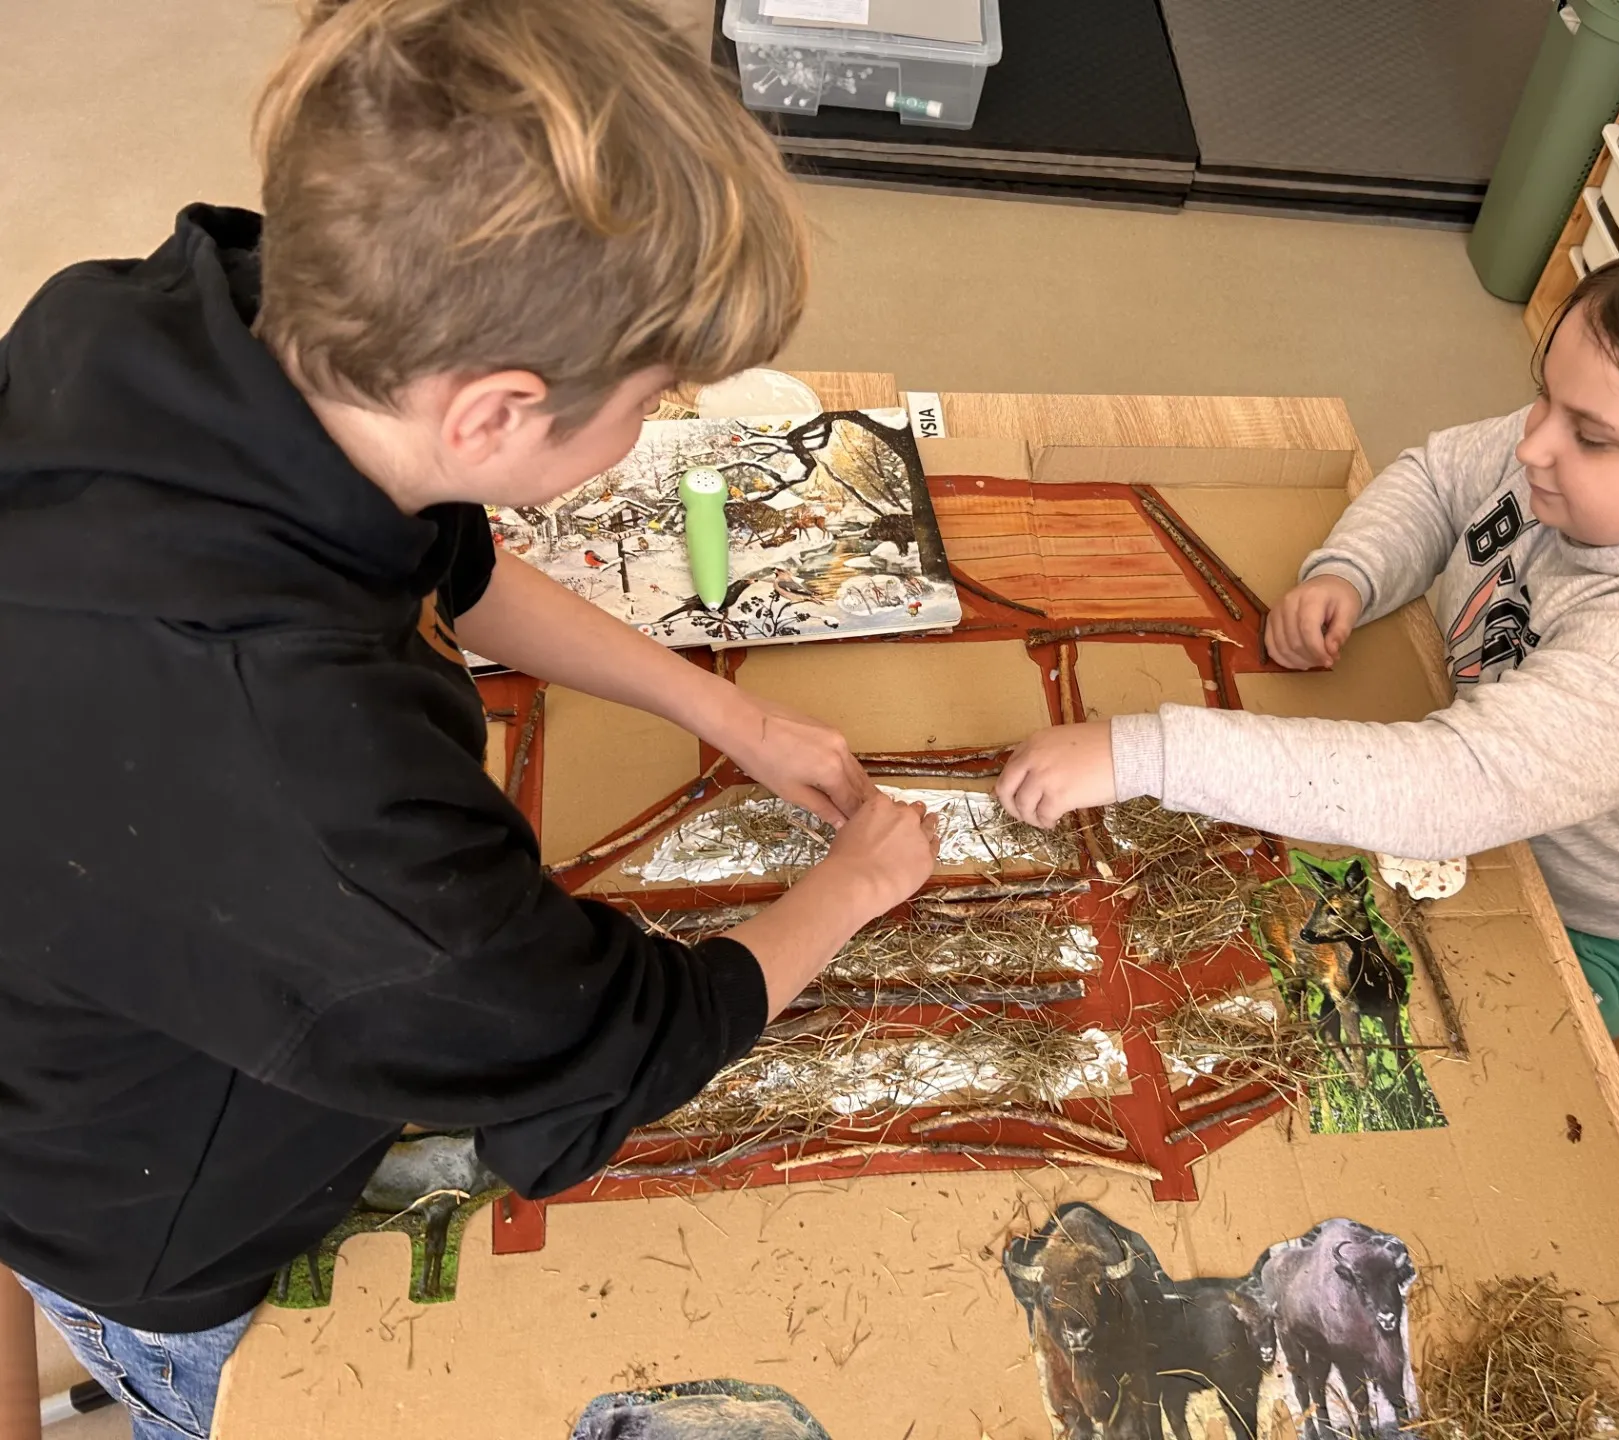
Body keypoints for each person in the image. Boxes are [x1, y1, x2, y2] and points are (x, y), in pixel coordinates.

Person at [0, 2, 937, 1434]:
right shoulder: (327, 803)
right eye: (654, 396)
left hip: (82, 963)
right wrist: (855, 887)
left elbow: (449, 552)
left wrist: (716, 710)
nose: (653, 420)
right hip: (162, 1221)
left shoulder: (151, 322)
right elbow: (612, 1043)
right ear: (496, 414)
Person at [998, 232, 1619, 1039]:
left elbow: (1452, 790)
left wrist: (1142, 754)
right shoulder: (1589, 462)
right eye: (1543, 399)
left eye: (1590, 436)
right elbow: (1443, 475)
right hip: (1488, 771)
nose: (1533, 446)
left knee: (1333, 1037)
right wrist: (1353, 571)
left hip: (1596, 923)